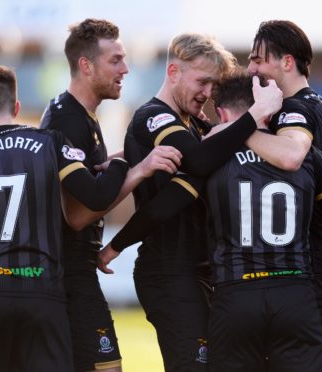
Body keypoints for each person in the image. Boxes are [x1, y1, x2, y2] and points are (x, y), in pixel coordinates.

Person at [0, 65, 170, 371]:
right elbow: (97, 196)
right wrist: (118, 165)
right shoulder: (51, 143)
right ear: (17, 106)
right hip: (42, 296)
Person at [99, 34, 282, 371]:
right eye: (202, 81)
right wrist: (255, 115)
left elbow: (214, 154)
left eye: (214, 84)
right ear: (173, 72)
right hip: (169, 271)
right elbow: (199, 161)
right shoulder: (154, 116)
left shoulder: (196, 123)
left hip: (202, 270)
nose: (209, 93)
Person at [40, 18, 181, 372]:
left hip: (71, 273)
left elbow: (96, 177)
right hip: (67, 275)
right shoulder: (68, 120)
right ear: (86, 65)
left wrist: (129, 159)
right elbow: (76, 215)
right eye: (115, 60)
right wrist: (137, 170)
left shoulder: (77, 114)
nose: (126, 68)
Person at [204, 71, 322, 371]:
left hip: (235, 294)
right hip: (295, 295)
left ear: (223, 114)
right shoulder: (306, 155)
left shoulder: (212, 154)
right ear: (271, 110)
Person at [244, 20, 322, 353]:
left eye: (258, 59)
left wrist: (237, 130)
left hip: (299, 267)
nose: (250, 68)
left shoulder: (292, 111)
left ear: (286, 62)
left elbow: (290, 154)